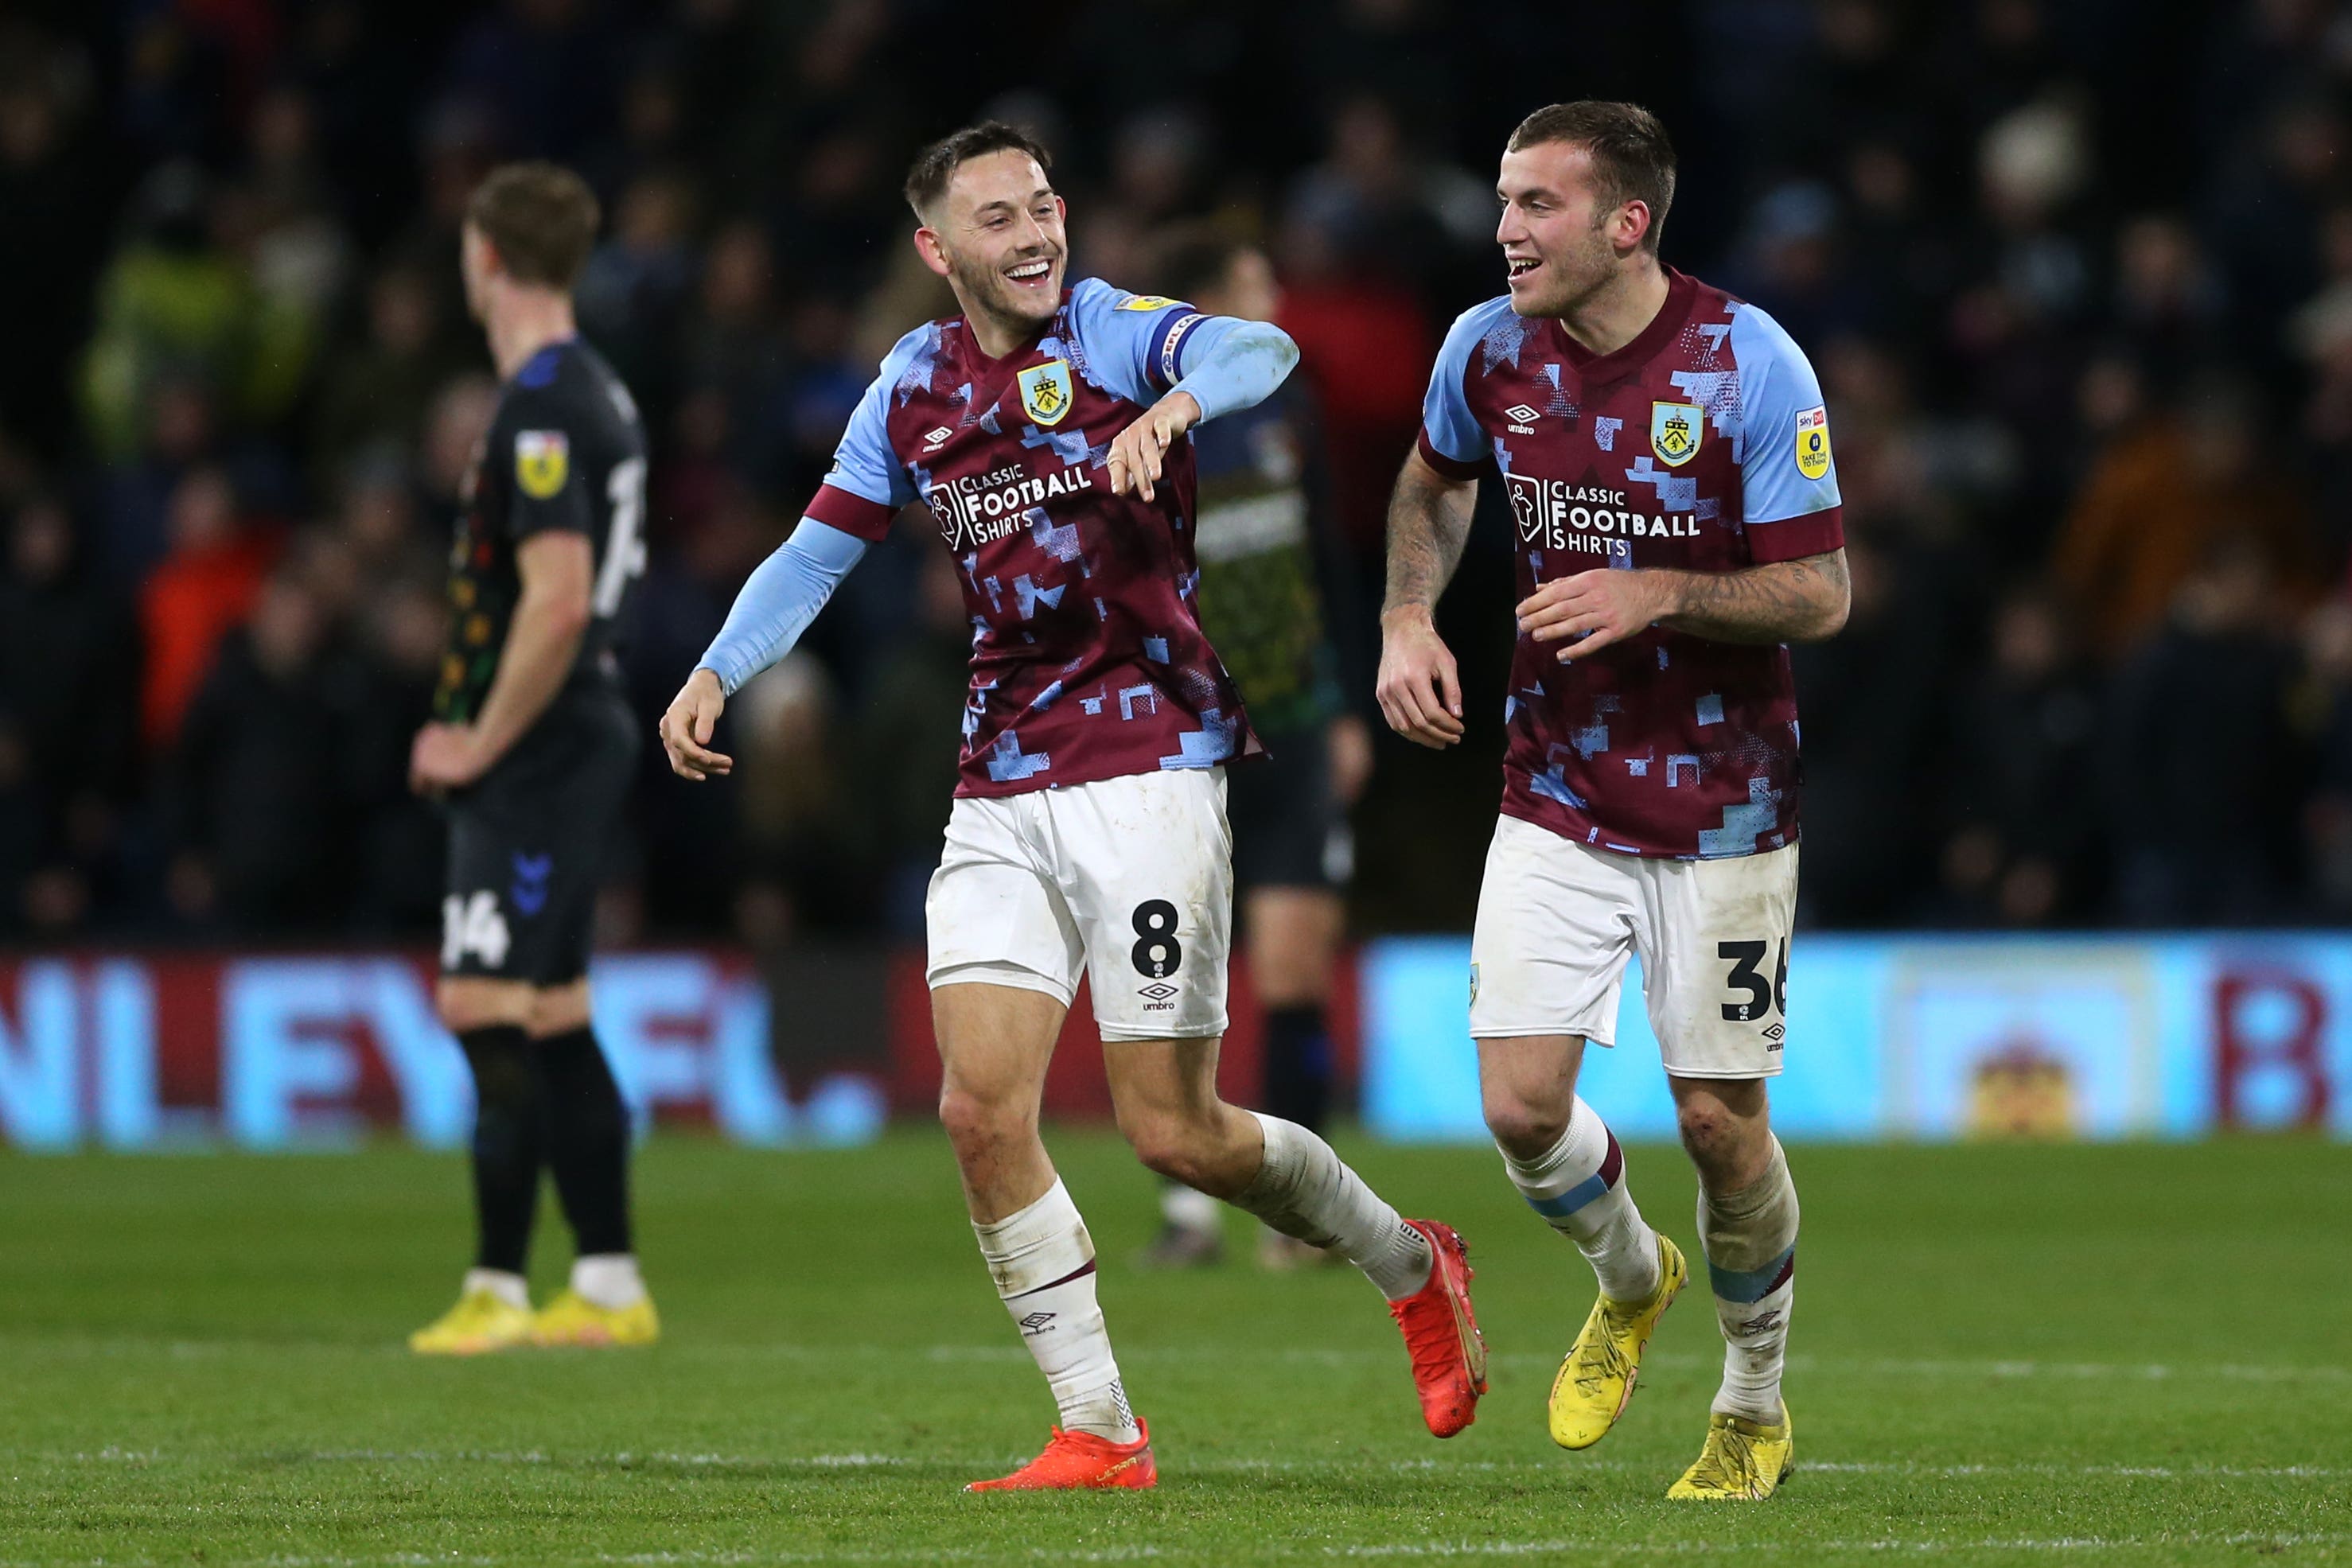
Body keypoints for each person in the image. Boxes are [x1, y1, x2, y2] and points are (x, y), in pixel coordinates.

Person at [660, 122, 1485, 1491]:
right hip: (1002, 778)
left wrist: (1181, 404)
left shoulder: (1111, 332)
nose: (1037, 233)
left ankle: (1408, 1258)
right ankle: (1100, 1428)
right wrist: (715, 668)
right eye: (999, 218)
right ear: (940, 250)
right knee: (981, 1113)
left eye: (1045, 204)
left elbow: (1256, 351)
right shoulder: (911, 386)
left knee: (1175, 1130)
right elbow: (816, 555)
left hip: (1152, 763)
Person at [1377, 102, 1849, 1501]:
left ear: (1625, 222)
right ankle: (1630, 1274)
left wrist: (1660, 591)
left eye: (1537, 205)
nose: (1506, 229)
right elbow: (1430, 483)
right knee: (1521, 1110)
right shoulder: (1487, 346)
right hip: (1557, 783)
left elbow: (1821, 591)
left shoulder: (1746, 361)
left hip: (1724, 806)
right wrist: (1410, 616)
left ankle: (1753, 1399)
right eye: (1505, 201)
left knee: (1719, 1122)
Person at [406, 162, 658, 1356]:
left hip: (544, 738)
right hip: (575, 728)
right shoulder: (593, 388)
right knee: (551, 1009)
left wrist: (477, 740)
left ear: (489, 258)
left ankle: (497, 1288)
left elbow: (554, 602)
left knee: (484, 999)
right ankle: (606, 1284)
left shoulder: (544, 404)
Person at [1130, 228, 1371, 1271]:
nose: (1276, 296)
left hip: (1298, 720)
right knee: (1173, 975)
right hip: (1182, 735)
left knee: (1294, 962)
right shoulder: (1134, 421)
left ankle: (1297, 1219)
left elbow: (1329, 560)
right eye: (1254, 284)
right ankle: (1189, 1213)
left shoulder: (1289, 409)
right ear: (1204, 308)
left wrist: (1353, 704)